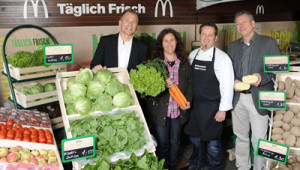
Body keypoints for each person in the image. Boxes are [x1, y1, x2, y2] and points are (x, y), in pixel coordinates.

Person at [227, 10, 280, 170]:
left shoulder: (269, 43)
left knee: (259, 140)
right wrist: (232, 81)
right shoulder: (232, 46)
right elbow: (228, 71)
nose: (240, 26)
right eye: (238, 24)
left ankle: (259, 168)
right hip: (238, 98)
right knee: (241, 137)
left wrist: (261, 77)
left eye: (243, 22)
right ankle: (242, 167)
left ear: (252, 23)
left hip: (259, 97)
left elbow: (275, 70)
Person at [184, 22, 234, 170]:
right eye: (203, 34)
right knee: (196, 142)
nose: (206, 38)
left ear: (216, 37)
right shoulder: (193, 55)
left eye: (210, 35)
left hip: (213, 108)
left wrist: (223, 109)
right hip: (194, 108)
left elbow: (227, 85)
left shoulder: (222, 58)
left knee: (213, 145)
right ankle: (196, 165)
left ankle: (214, 167)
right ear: (200, 36)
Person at [145, 28, 193, 170]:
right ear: (162, 43)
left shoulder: (184, 63)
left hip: (178, 111)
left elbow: (190, 84)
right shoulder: (156, 63)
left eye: (172, 40)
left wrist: (187, 101)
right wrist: (161, 85)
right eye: (166, 41)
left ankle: (172, 166)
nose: (169, 43)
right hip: (161, 112)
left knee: (176, 142)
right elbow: (149, 90)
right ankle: (163, 167)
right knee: (163, 143)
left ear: (177, 42)